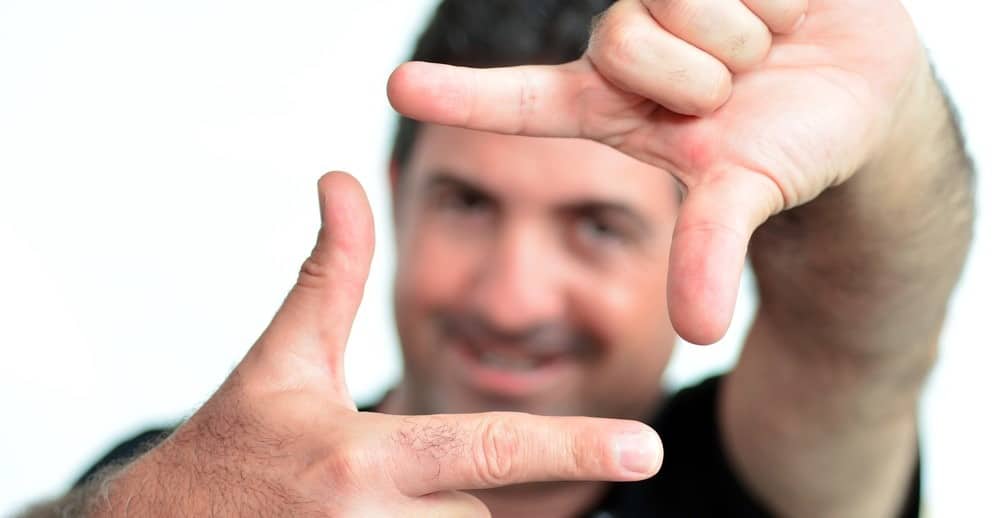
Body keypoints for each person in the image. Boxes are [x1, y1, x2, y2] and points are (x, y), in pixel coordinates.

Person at [22, 0, 974, 516]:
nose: (513, 300)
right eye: (469, 205)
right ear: (399, 197)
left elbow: (864, 335)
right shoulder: (200, 476)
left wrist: (890, 128)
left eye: (598, 226)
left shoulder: (743, 484)